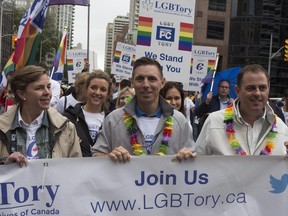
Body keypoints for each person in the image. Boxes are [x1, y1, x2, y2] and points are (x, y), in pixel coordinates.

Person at [91, 57, 196, 162]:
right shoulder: (113, 120)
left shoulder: (180, 121)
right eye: (140, 79)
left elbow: (194, 158)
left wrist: (188, 156)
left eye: (152, 79)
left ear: (162, 83)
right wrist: (109, 157)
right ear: (132, 82)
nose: (145, 85)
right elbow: (96, 156)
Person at [195, 64, 288, 155]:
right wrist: (185, 159)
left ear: (268, 90)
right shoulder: (214, 122)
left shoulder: (281, 128)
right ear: (237, 91)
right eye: (250, 88)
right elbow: (196, 163)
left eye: (262, 88)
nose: (257, 93)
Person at [0, 65, 82, 167]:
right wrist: (5, 167)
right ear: (22, 94)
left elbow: (76, 170)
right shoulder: (2, 127)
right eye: (39, 88)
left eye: (48, 87)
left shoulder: (66, 128)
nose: (47, 92)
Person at [63, 70, 111, 157]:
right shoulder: (69, 117)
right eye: (93, 87)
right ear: (86, 89)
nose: (97, 93)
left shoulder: (112, 120)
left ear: (108, 94)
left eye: (103, 89)